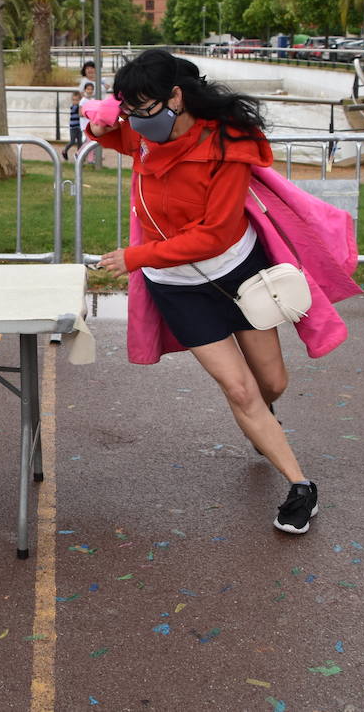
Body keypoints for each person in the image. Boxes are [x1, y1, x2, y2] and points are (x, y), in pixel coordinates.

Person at [84, 48, 319, 535]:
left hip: (237, 274)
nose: (138, 120)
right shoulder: (144, 134)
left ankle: (264, 417)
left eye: (145, 108)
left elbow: (214, 233)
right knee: (238, 389)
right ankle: (300, 487)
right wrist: (104, 118)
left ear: (176, 96)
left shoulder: (228, 143)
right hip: (179, 288)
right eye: (131, 108)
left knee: (270, 384)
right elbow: (108, 132)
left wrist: (135, 257)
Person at [63, 87, 90, 161]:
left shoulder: (79, 106)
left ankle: (79, 155)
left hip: (79, 127)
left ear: (79, 100)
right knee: (72, 141)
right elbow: (79, 110)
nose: (75, 102)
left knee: (79, 142)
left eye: (77, 100)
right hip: (73, 127)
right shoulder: (73, 107)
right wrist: (83, 99)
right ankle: (64, 150)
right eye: (73, 100)